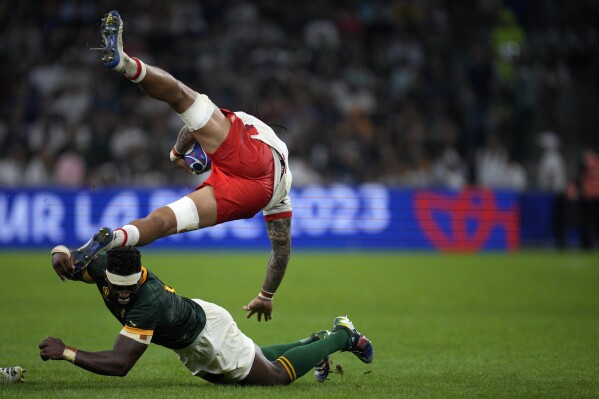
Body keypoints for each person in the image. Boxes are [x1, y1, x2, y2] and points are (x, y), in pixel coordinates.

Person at [61, 10, 294, 322]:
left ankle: (126, 64)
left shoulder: (244, 125)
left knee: (182, 96)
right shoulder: (277, 184)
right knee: (162, 222)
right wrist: (266, 296)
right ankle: (113, 238)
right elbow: (281, 252)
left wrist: (175, 154)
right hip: (256, 193)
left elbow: (189, 126)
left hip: (253, 163)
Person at [41, 246, 373, 385]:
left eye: (130, 285)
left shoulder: (148, 303)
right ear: (106, 274)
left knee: (273, 378)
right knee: (247, 370)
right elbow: (69, 263)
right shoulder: (102, 268)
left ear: (140, 274)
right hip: (195, 331)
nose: (124, 292)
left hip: (205, 335)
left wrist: (67, 352)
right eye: (118, 286)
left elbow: (120, 363)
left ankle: (341, 335)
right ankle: (312, 342)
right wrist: (59, 253)